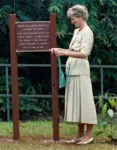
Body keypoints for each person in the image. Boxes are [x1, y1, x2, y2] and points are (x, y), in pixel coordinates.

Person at [51, 5, 97, 145]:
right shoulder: (77, 31)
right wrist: (60, 49)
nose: (72, 22)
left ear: (80, 17)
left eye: (73, 19)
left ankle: (88, 135)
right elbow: (72, 50)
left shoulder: (87, 32)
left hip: (81, 72)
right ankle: (80, 134)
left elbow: (84, 53)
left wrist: (64, 53)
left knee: (85, 102)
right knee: (77, 103)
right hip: (72, 71)